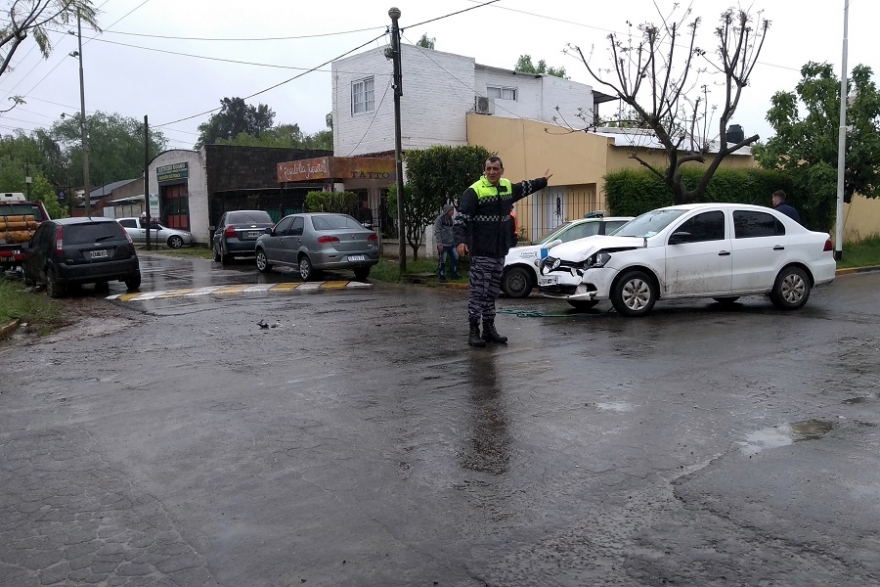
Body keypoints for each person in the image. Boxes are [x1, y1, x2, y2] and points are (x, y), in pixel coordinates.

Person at [454, 157, 552, 347]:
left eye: (495, 169)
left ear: (502, 170)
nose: (492, 172)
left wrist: (543, 181)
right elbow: (461, 219)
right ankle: (474, 330)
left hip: (499, 252)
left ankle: (489, 330)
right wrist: (460, 241)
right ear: (484, 171)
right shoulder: (474, 191)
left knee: (491, 293)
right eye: (488, 169)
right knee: (478, 293)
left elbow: (524, 187)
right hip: (482, 251)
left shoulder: (506, 187)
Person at [433, 203, 459, 282]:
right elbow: (437, 232)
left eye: (453, 210)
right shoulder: (440, 219)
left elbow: (452, 231)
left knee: (456, 257)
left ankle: (453, 274)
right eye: (451, 210)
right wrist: (439, 244)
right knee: (442, 260)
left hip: (451, 244)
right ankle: (441, 276)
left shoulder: (451, 220)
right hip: (443, 245)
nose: (452, 212)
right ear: (446, 211)